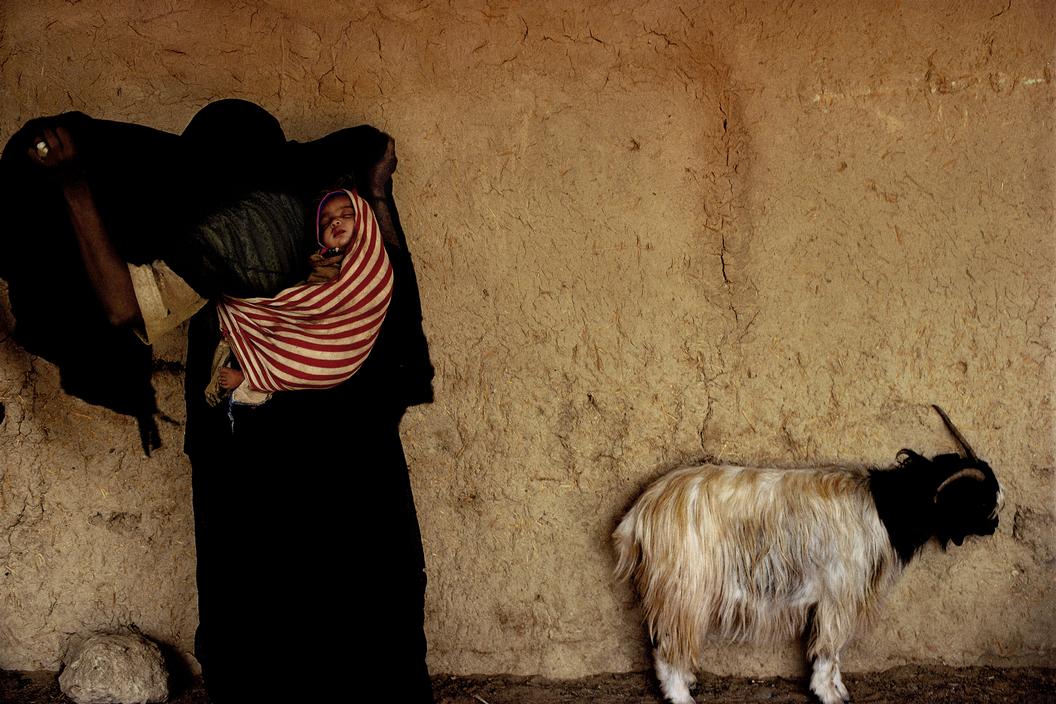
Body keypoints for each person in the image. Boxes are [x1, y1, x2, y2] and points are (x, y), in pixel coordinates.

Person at [25, 108, 435, 703]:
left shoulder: (229, 237)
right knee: (371, 615)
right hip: (356, 461)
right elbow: (397, 304)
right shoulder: (338, 227)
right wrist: (378, 193)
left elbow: (122, 307)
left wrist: (72, 184)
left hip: (255, 469)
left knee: (254, 622)